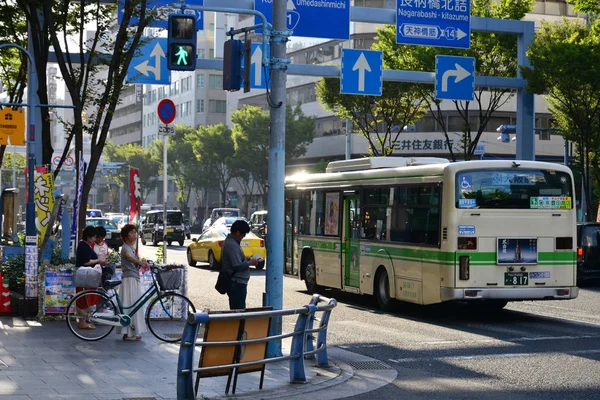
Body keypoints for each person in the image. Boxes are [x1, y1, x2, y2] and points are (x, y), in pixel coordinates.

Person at [118, 224, 150, 341]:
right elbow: (128, 257)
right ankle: (131, 332)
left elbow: (132, 258)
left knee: (131, 304)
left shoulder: (131, 247)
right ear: (126, 236)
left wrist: (141, 261)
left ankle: (129, 331)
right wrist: (139, 262)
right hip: (129, 278)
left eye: (134, 232)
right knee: (132, 303)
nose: (134, 235)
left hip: (132, 277)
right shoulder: (126, 247)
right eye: (131, 233)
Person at [221, 220, 258, 310]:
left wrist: (246, 258)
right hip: (237, 283)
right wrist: (250, 263)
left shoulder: (232, 242)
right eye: (243, 234)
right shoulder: (232, 244)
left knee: (238, 310)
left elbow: (236, 259)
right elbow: (237, 266)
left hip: (237, 283)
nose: (243, 237)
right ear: (237, 233)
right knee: (238, 311)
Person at [75, 226, 107, 330]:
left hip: (86, 276)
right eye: (93, 237)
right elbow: (86, 262)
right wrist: (98, 261)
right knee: (84, 298)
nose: (95, 239)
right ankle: (82, 322)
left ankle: (84, 321)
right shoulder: (83, 246)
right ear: (88, 237)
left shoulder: (85, 245)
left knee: (85, 297)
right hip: (84, 276)